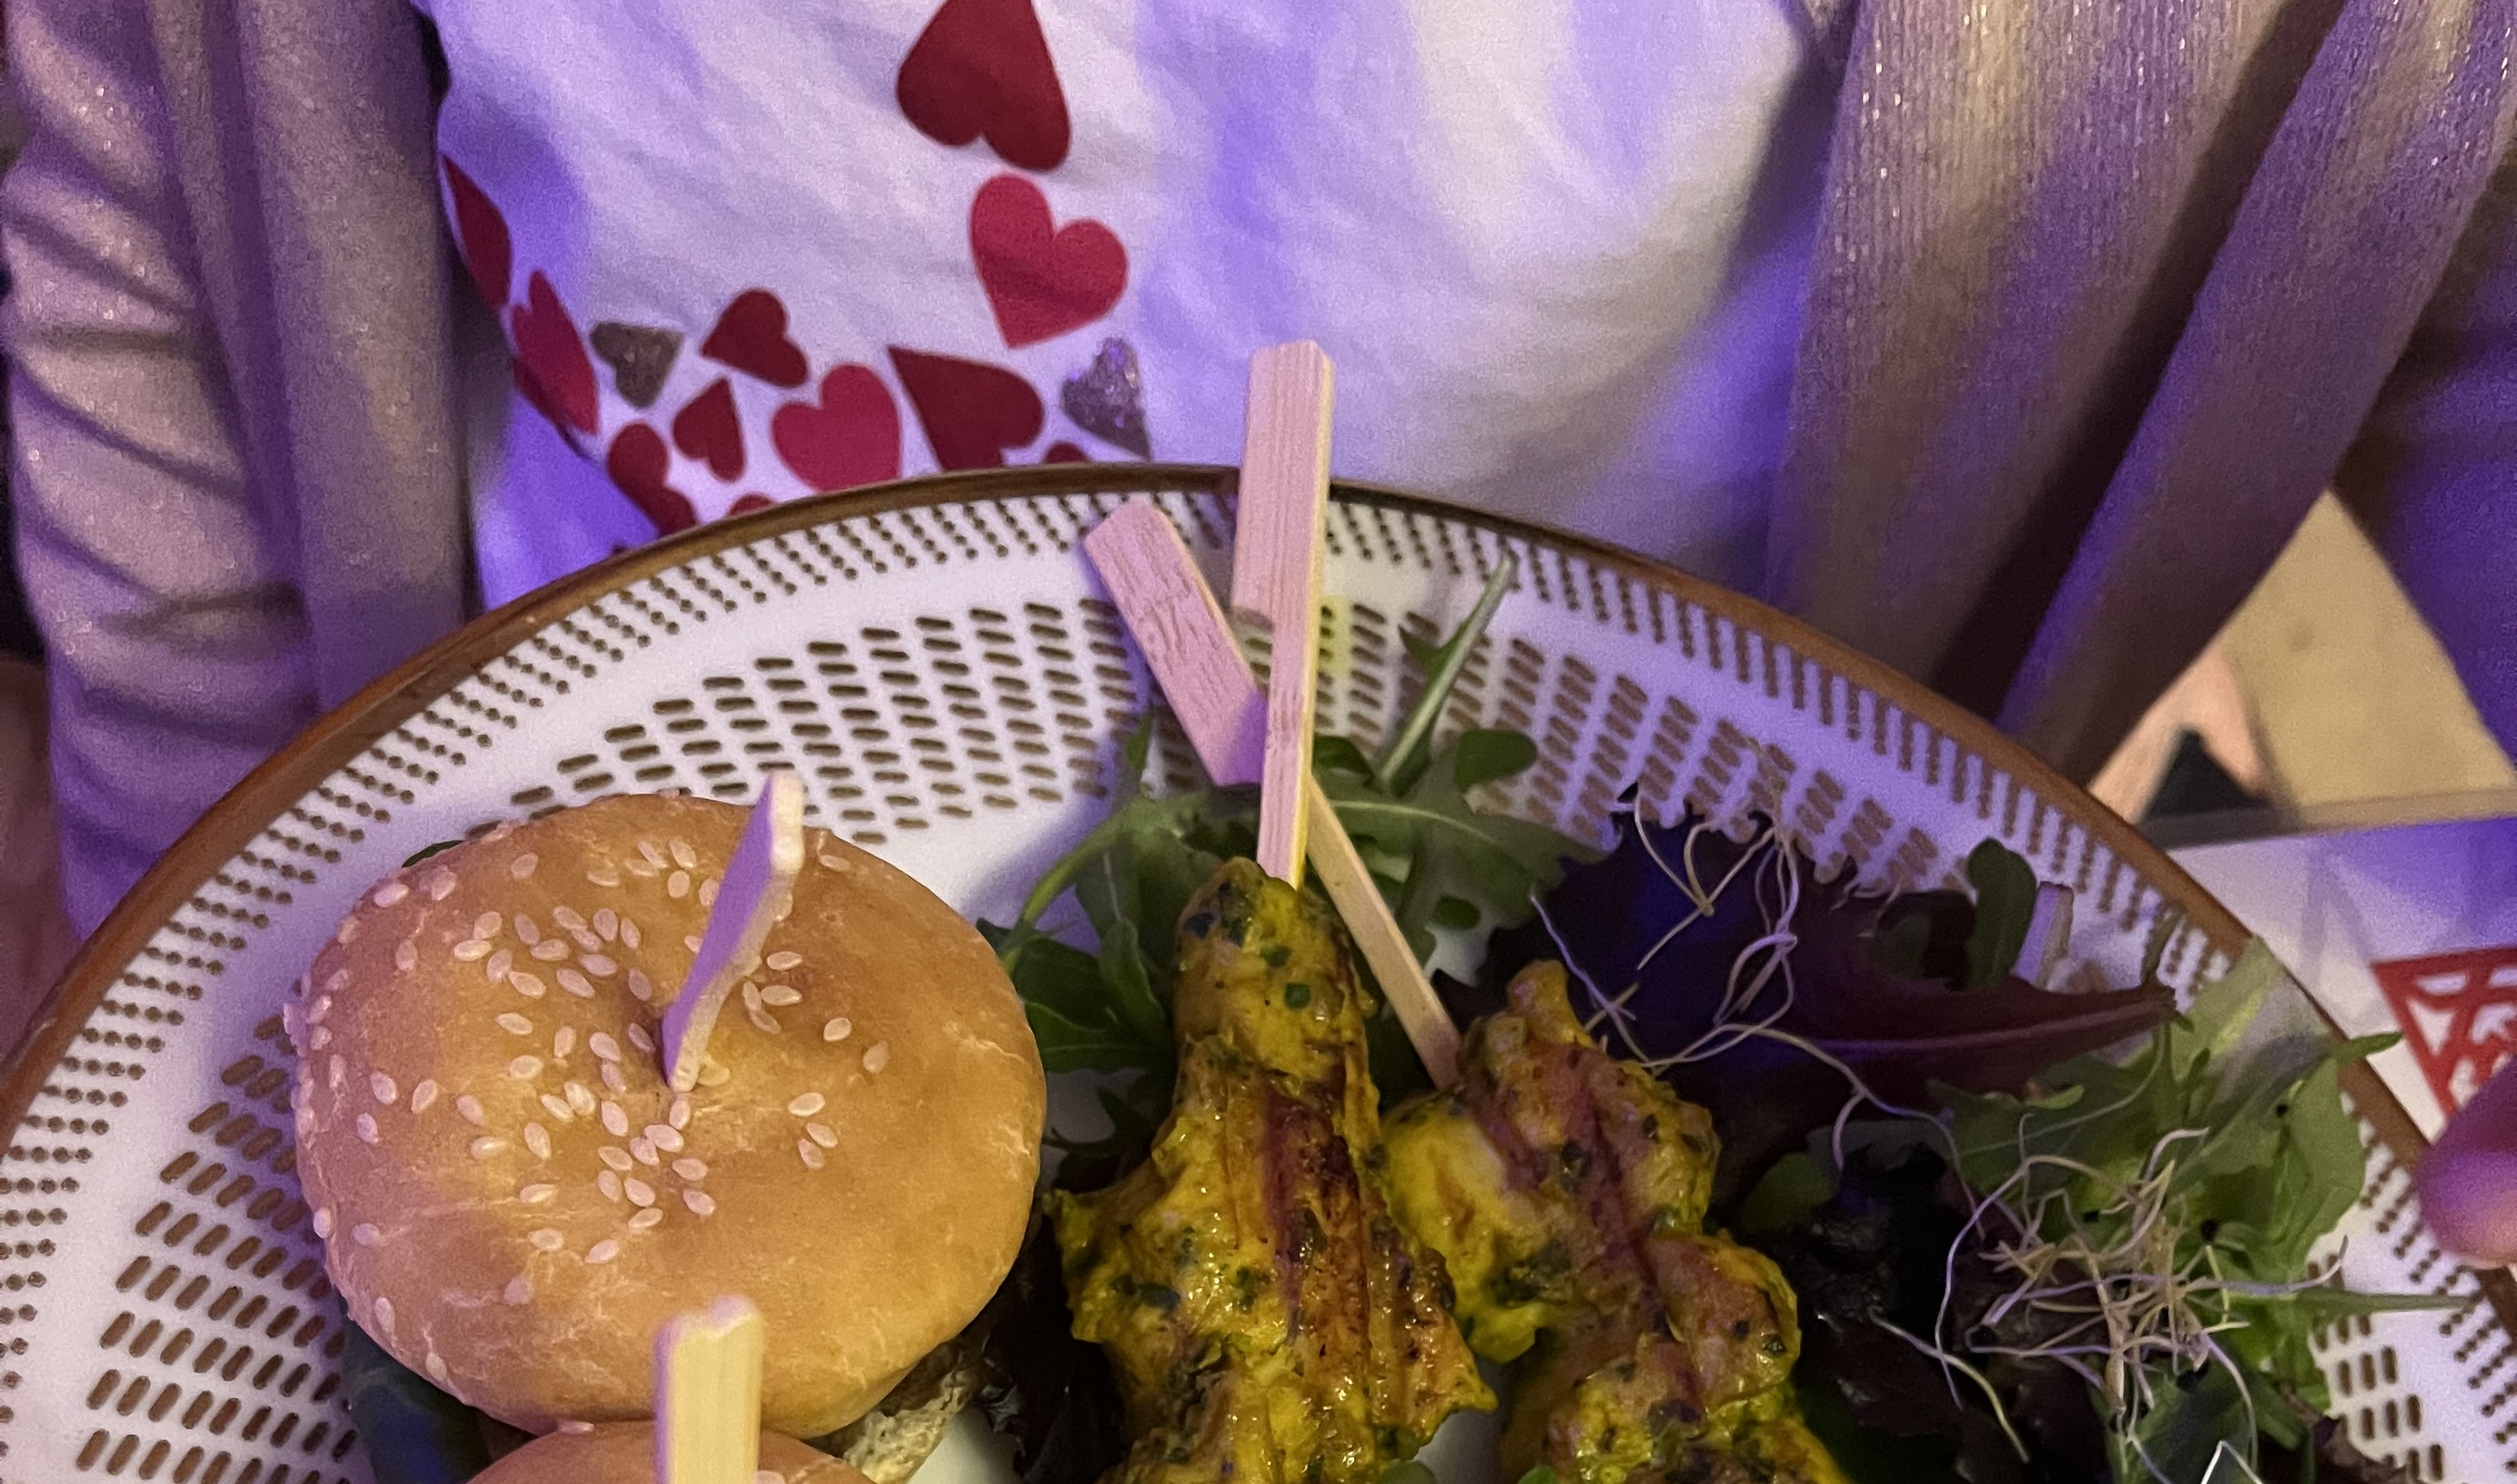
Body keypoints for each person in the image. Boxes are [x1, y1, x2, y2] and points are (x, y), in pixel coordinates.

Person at [3, 0, 2512, 940]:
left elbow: (2446, 203)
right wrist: (204, 959)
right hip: (579, 877)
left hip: (1704, 951)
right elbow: (153, 245)